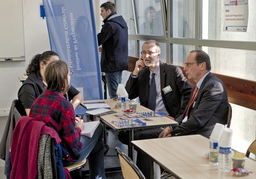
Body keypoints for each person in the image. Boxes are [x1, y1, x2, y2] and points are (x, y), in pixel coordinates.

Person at [137, 50, 229, 178]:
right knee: (142, 138)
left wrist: (174, 132)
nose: (184, 68)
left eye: (188, 64)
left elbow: (197, 120)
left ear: (202, 65)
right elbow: (186, 113)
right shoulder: (199, 85)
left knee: (148, 141)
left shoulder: (214, 86)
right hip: (190, 130)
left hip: (200, 137)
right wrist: (171, 127)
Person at [29, 60, 106, 178]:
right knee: (98, 128)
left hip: (40, 154)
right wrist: (78, 128)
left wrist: (71, 123)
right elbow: (72, 144)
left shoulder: (38, 101)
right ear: (65, 79)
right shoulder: (64, 105)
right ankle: (98, 176)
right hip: (62, 156)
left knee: (97, 145)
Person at [118, 40, 192, 144]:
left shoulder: (172, 71)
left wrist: (177, 118)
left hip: (166, 119)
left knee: (138, 137)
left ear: (158, 54)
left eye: (150, 52)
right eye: (143, 52)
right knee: (123, 135)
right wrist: (135, 72)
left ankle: (144, 158)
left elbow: (190, 94)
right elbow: (128, 95)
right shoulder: (143, 72)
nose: (146, 56)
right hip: (148, 118)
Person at [18, 51, 83, 116]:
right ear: (42, 64)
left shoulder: (55, 80)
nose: (57, 68)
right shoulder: (28, 88)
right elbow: (32, 117)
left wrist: (71, 109)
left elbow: (77, 95)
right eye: (53, 64)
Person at [97, 1, 128, 99]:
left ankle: (116, 114)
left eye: (102, 11)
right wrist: (106, 46)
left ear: (108, 11)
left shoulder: (110, 25)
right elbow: (116, 41)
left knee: (114, 95)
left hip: (112, 64)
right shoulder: (121, 23)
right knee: (119, 92)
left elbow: (98, 40)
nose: (100, 14)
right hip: (120, 62)